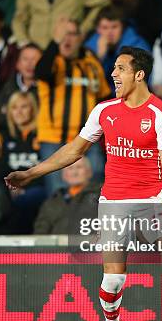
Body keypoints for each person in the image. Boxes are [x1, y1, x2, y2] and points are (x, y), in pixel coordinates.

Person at [5, 47, 162, 321]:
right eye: (115, 69)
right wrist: (31, 174)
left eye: (120, 69)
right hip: (114, 201)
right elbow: (74, 150)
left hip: (153, 197)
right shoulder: (104, 111)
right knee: (114, 280)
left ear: (139, 74)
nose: (113, 74)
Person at [34, 18, 111, 193]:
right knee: (57, 192)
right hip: (53, 140)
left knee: (95, 189)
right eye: (62, 35)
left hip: (86, 139)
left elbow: (104, 98)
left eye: (71, 34)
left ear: (80, 37)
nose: (66, 39)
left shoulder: (92, 63)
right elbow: (41, 72)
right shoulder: (53, 61)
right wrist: (54, 42)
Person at [1, 91, 46, 233]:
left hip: (38, 188)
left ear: (33, 109)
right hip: (11, 190)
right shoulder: (4, 137)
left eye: (24, 107)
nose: (19, 112)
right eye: (14, 108)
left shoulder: (43, 135)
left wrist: (24, 188)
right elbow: (1, 169)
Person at [84, 5, 150, 89]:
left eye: (114, 27)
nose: (109, 33)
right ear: (98, 29)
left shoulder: (137, 46)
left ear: (123, 28)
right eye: (105, 28)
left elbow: (140, 82)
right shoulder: (90, 46)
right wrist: (99, 57)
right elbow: (85, 82)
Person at [33, 157, 100, 235]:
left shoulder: (102, 195)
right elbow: (40, 233)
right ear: (63, 175)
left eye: (79, 167)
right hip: (58, 247)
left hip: (90, 246)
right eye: (70, 168)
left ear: (89, 172)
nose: (74, 172)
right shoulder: (53, 201)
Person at [0, 43, 41, 130]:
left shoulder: (48, 87)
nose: (29, 64)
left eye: (34, 60)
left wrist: (9, 110)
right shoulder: (10, 84)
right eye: (25, 59)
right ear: (18, 64)